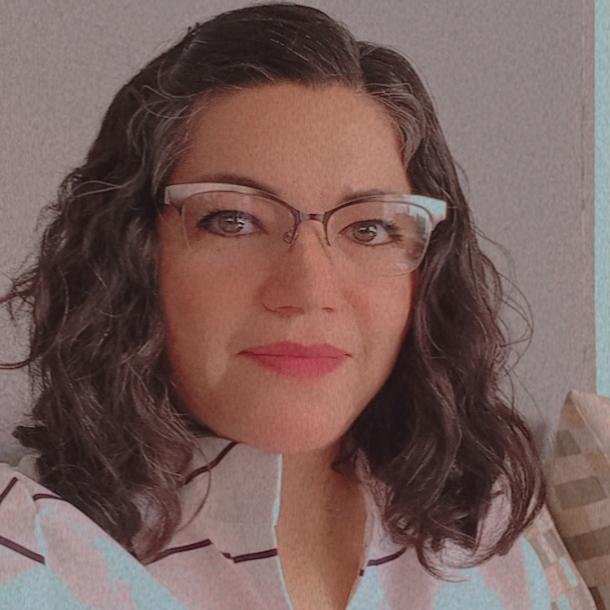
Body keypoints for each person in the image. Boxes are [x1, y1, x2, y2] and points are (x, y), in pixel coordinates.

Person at [0, 2, 553, 608]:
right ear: (130, 253)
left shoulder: (483, 532)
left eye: (368, 228)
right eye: (233, 221)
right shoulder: (24, 552)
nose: (308, 290)